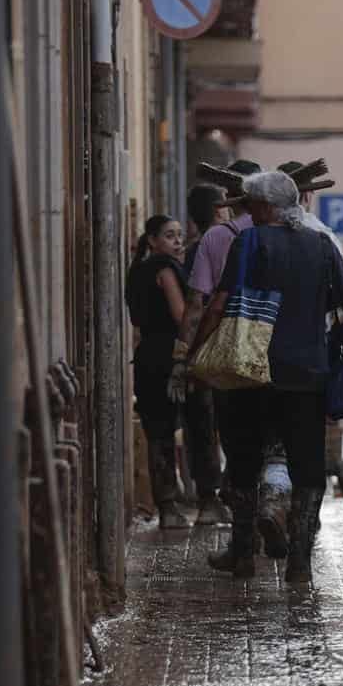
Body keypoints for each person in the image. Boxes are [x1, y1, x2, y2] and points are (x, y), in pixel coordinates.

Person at [178, 170, 343, 585]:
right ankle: (299, 562)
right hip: (307, 375)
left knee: (244, 463)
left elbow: (217, 306)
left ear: (265, 207)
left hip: (250, 372)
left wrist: (193, 356)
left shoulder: (249, 241)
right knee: (307, 468)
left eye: (252, 203)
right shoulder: (321, 245)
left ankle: (243, 554)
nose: (249, 210)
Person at [124, 215, 218, 530]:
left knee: (158, 434)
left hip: (148, 357)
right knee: (200, 428)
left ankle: (167, 510)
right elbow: (182, 315)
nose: (177, 242)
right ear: (152, 240)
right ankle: (207, 503)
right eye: (169, 236)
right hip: (177, 357)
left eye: (179, 235)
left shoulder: (136, 270)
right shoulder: (165, 268)